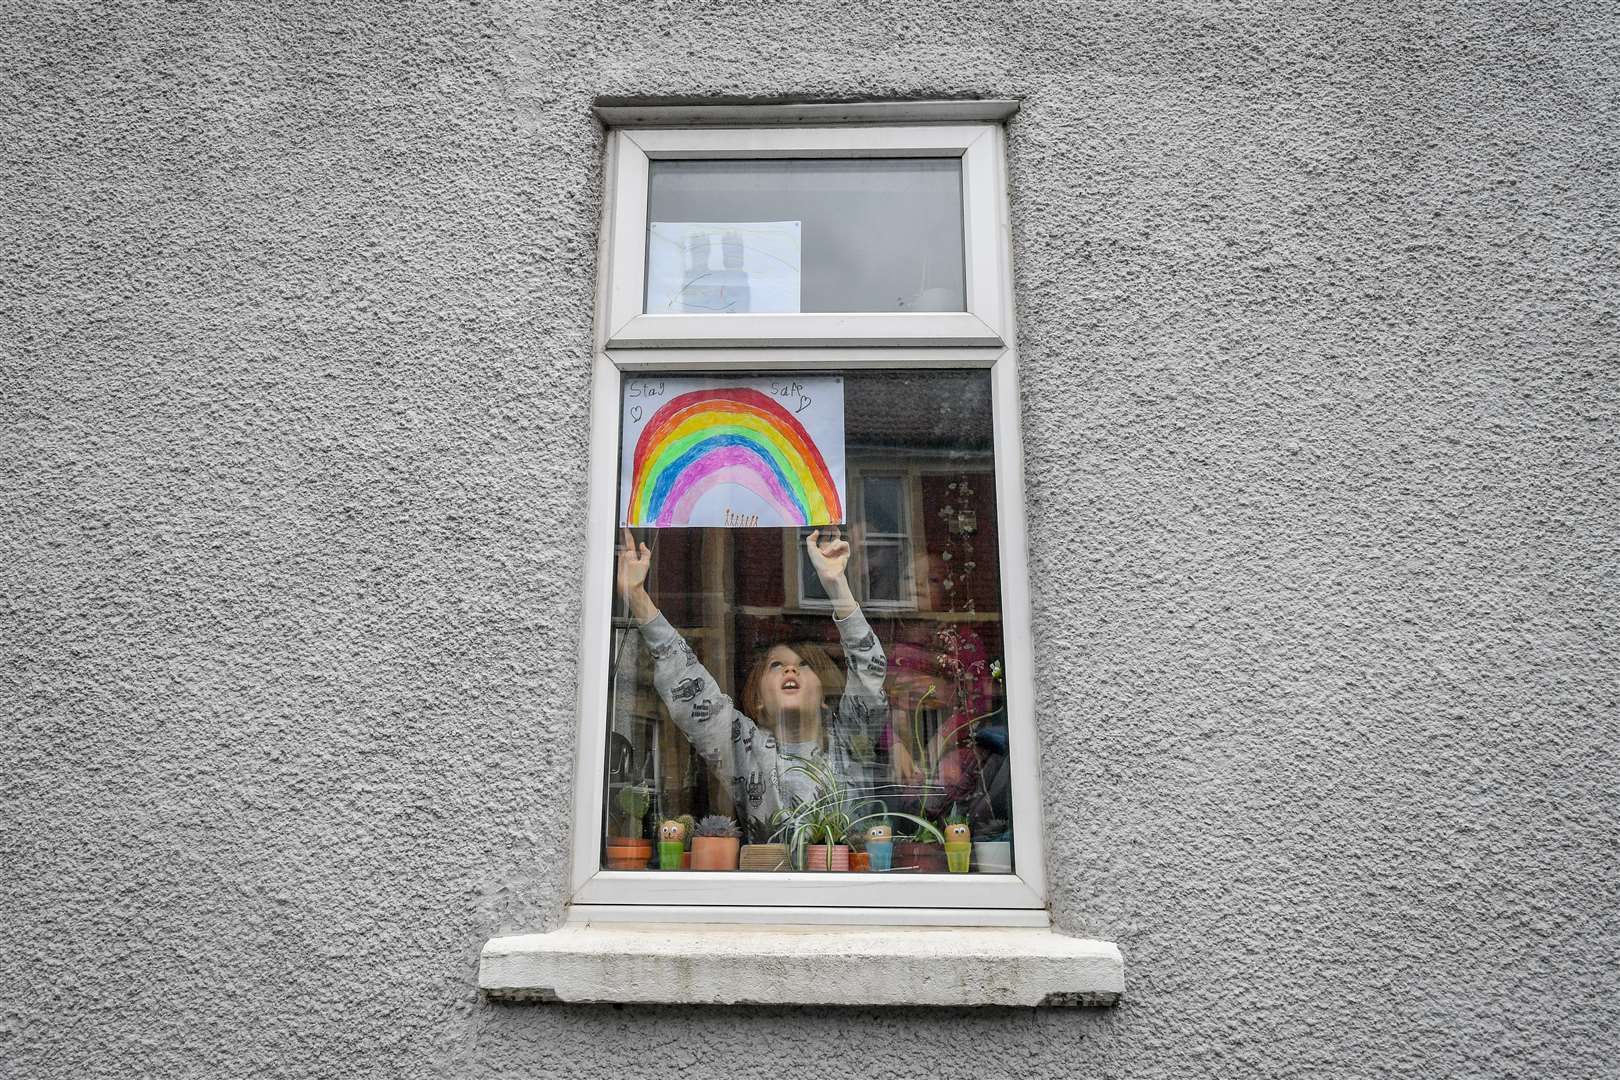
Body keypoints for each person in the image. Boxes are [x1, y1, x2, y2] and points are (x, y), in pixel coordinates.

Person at [616, 527, 889, 822]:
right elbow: (693, 692)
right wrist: (637, 597)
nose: (790, 668)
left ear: (824, 696)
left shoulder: (850, 740)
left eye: (805, 664)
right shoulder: (747, 750)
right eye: (776, 665)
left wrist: (837, 586)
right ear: (758, 700)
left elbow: (868, 672)